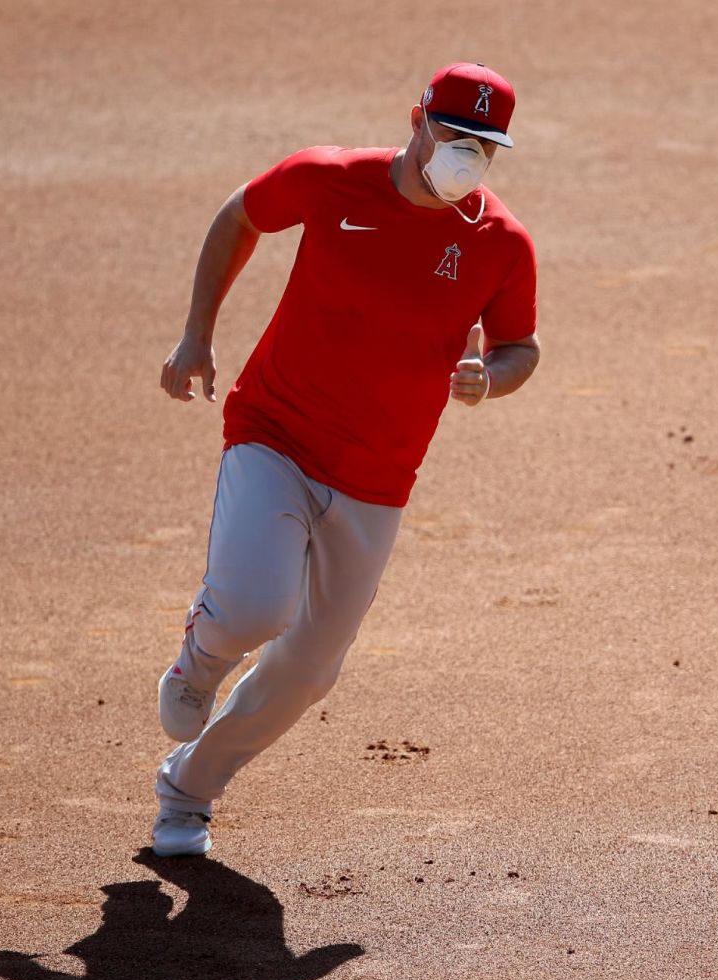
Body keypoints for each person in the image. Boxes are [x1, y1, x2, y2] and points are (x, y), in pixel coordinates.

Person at [148, 62, 540, 856]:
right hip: (278, 431)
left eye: (485, 147)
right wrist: (197, 334)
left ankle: (188, 789)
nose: (467, 156)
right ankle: (202, 655)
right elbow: (241, 215)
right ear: (417, 120)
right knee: (257, 607)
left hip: (379, 476)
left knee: (308, 671)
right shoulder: (332, 181)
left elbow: (520, 346)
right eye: (455, 136)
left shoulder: (499, 243)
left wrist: (486, 380)